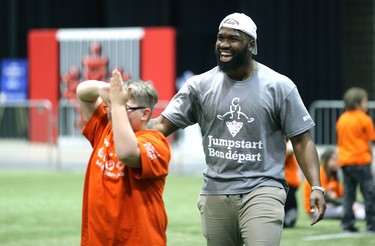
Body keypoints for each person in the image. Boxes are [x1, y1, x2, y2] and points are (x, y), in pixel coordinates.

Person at [149, 12, 326, 245]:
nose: (224, 44)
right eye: (220, 37)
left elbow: (302, 141)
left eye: (233, 39)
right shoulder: (199, 86)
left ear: (251, 44)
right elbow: (162, 125)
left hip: (263, 189)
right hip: (215, 191)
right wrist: (124, 120)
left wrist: (316, 186)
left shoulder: (279, 86)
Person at [76, 69, 171, 245]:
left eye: (123, 108)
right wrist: (107, 90)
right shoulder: (105, 128)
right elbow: (82, 91)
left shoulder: (156, 142)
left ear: (145, 114)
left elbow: (127, 153)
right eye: (110, 106)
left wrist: (117, 104)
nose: (113, 112)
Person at [336, 87, 375, 233]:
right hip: (361, 161)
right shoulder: (365, 119)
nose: (367, 104)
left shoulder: (342, 119)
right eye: (365, 101)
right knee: (370, 194)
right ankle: (372, 224)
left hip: (345, 162)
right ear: (358, 103)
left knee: (348, 194)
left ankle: (347, 224)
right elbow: (370, 142)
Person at [303, 148, 365, 220]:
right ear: (326, 160)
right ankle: (366, 216)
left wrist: (355, 203)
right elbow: (325, 197)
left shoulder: (333, 176)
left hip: (331, 206)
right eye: (334, 159)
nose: (337, 162)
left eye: (337, 159)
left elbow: (343, 195)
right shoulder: (319, 173)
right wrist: (347, 204)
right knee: (345, 210)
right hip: (317, 210)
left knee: (357, 206)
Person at [283, 139, 302, 228]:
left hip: (291, 181)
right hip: (287, 181)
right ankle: (288, 220)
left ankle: (288, 220)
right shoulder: (283, 144)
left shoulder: (286, 143)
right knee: (289, 204)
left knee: (290, 203)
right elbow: (288, 153)